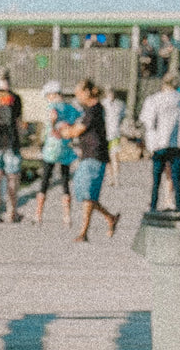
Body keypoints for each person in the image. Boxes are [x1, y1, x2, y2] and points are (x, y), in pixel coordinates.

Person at [58, 78, 120, 243]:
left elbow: (78, 130)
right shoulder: (90, 110)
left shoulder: (94, 110)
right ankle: (110, 217)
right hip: (88, 155)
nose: (77, 96)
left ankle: (83, 233)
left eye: (78, 93)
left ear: (86, 92)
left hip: (95, 155)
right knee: (84, 193)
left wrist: (63, 130)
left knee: (87, 194)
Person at [140, 73, 180, 211]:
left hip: (160, 143)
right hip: (178, 144)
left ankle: (153, 206)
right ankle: (179, 206)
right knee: (176, 179)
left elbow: (148, 122)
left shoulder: (154, 100)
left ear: (163, 84)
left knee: (156, 180)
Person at [34, 80, 78, 226]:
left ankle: (38, 216)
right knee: (65, 181)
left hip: (51, 149)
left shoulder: (52, 106)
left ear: (52, 95)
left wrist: (53, 125)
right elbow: (80, 117)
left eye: (47, 95)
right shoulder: (71, 108)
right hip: (66, 148)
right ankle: (67, 217)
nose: (47, 98)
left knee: (45, 181)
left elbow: (52, 119)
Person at [0, 68, 24, 223]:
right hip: (11, 141)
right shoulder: (15, 98)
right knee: (12, 177)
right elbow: (18, 121)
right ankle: (11, 213)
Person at [103, 86, 125, 186]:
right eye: (108, 94)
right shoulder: (103, 104)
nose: (110, 96)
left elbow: (122, 117)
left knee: (115, 156)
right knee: (107, 158)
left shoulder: (120, 104)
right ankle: (110, 177)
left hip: (115, 133)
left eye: (112, 93)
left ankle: (116, 178)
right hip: (105, 133)